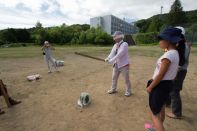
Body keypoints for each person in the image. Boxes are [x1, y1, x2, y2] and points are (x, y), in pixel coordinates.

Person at [145, 27, 184, 131]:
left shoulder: (168, 55)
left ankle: (158, 127)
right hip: (167, 85)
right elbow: (174, 73)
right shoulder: (175, 53)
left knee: (154, 114)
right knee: (161, 109)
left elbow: (161, 75)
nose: (160, 42)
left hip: (159, 86)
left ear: (168, 41)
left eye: (161, 39)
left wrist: (150, 87)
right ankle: (157, 128)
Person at [166, 26, 191, 119]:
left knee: (174, 91)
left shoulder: (184, 46)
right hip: (179, 70)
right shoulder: (182, 45)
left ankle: (176, 113)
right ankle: (168, 102)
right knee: (170, 88)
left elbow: (181, 62)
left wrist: (174, 71)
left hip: (179, 71)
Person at [105, 31, 132, 97]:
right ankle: (113, 89)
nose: (114, 38)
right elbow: (112, 53)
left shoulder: (125, 44)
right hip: (116, 64)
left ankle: (128, 91)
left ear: (119, 37)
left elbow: (120, 54)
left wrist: (111, 60)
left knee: (126, 79)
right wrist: (108, 58)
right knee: (114, 78)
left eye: (115, 37)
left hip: (124, 65)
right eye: (114, 37)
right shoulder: (115, 45)